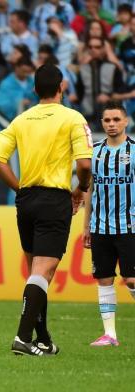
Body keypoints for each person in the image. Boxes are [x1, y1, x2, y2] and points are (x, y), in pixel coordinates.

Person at [0, 63, 92, 356]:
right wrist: (82, 189)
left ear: (34, 90)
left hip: (26, 202)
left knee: (36, 272)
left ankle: (43, 338)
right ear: (62, 87)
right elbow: (85, 164)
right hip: (54, 200)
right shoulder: (73, 118)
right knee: (42, 273)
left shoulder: (20, 120)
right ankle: (22, 338)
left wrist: (20, 189)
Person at [83, 100, 135, 347]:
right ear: (101, 123)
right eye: (107, 120)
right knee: (104, 278)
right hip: (100, 226)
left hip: (130, 226)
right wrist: (86, 226)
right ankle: (110, 334)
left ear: (126, 121)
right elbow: (88, 191)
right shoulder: (94, 151)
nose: (112, 124)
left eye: (116, 119)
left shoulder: (134, 150)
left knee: (132, 279)